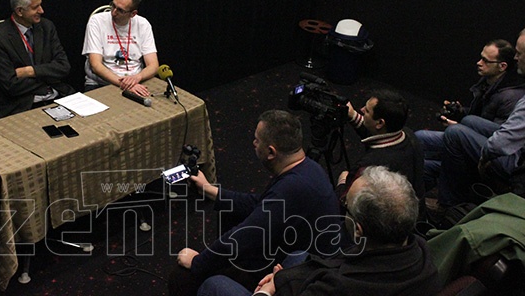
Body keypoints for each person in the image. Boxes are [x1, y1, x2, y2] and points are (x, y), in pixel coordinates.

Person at [169, 110, 341, 296]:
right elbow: (261, 204)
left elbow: (245, 235)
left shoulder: (292, 188)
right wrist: (211, 190)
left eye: (257, 140)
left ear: (271, 152)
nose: (253, 143)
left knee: (183, 277)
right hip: (300, 264)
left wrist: (198, 262)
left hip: (301, 282)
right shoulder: (309, 169)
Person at [197, 166, 441, 296]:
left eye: (346, 206)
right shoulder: (423, 253)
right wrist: (287, 278)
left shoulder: (338, 287)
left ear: (357, 229)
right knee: (299, 254)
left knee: (214, 284)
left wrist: (271, 290)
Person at [416, 39, 525, 191]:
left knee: (439, 147)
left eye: (486, 60)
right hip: (483, 145)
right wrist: (460, 113)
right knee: (422, 138)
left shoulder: (510, 98)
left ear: (502, 66)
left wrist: (460, 129)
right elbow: (479, 120)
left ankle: (449, 202)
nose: (479, 63)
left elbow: (502, 140)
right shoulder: (488, 83)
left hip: (494, 158)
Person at [0, 0, 74, 120]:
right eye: (35, 7)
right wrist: (48, 78)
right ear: (20, 11)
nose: (42, 11)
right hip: (21, 106)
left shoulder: (47, 27)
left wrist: (29, 71)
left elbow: (64, 67)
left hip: (57, 97)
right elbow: (10, 85)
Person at [336, 89, 425, 215]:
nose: (361, 110)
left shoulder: (369, 166)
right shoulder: (409, 136)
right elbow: (379, 133)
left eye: (366, 111)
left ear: (380, 123)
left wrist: (342, 182)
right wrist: (353, 116)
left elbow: (345, 202)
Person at [82, 0, 158, 96]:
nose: (113, 12)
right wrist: (125, 85)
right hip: (102, 83)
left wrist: (137, 78)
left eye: (120, 10)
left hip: (136, 81)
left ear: (133, 14)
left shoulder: (143, 24)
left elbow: (153, 65)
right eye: (113, 5)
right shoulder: (97, 21)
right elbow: (95, 65)